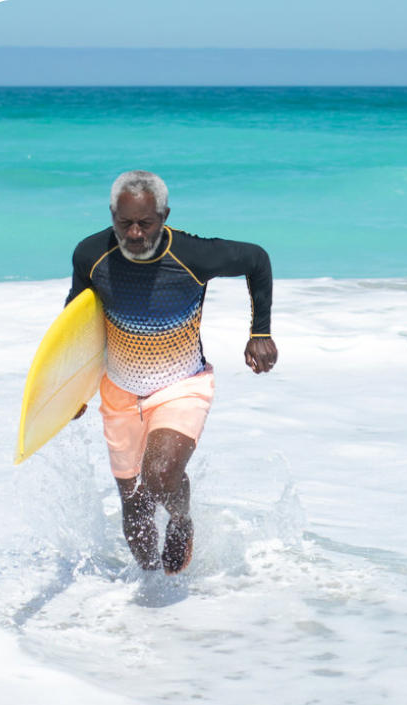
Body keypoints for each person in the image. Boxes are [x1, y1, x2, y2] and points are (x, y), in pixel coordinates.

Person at [66, 170, 278, 574]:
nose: (134, 233)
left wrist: (260, 332)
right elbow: (76, 323)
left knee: (160, 475)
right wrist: (69, 393)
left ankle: (182, 520)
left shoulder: (193, 255)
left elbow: (256, 259)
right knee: (135, 509)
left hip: (181, 385)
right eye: (124, 222)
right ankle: (150, 601)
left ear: (164, 215)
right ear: (112, 214)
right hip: (119, 390)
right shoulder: (90, 255)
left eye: (145, 223)